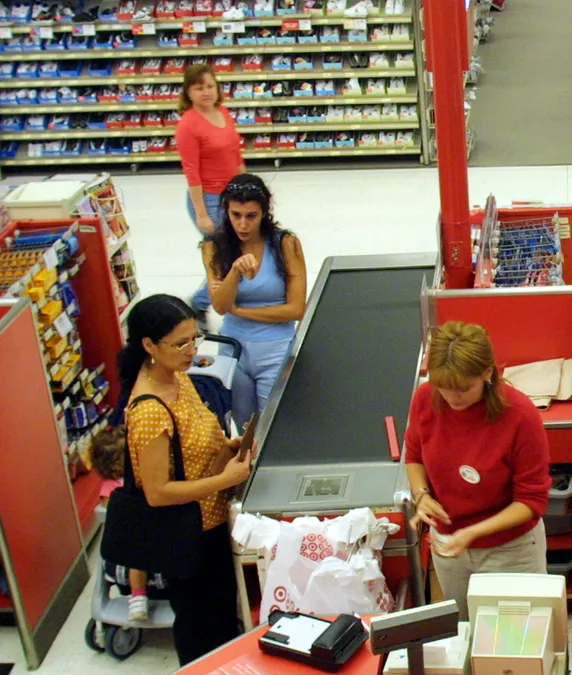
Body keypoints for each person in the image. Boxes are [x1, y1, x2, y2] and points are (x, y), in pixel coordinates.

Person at [117, 294, 253, 665]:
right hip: (187, 538)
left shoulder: (180, 378)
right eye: (180, 343)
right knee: (201, 629)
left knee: (225, 621)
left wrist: (229, 445)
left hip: (212, 523)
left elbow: (196, 444)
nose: (192, 350)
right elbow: (158, 493)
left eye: (195, 339)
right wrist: (224, 478)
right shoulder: (148, 411)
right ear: (149, 345)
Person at [404, 321, 552, 618]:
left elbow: (531, 501)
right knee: (465, 628)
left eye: (463, 389)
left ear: (488, 373)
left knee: (514, 640)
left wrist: (473, 533)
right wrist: (421, 496)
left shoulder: (520, 415)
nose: (451, 398)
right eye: (442, 387)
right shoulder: (425, 398)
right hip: (448, 545)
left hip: (510, 550)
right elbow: (414, 456)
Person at [203, 173, 307, 428]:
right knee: (243, 424)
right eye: (235, 215)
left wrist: (239, 310)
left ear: (264, 213)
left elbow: (295, 309)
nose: (243, 225)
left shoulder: (285, 244)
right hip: (233, 349)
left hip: (276, 349)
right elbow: (219, 306)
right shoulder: (214, 248)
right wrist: (235, 271)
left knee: (274, 424)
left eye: (251, 216)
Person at [176, 63, 246, 323]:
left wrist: (247, 187)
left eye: (210, 86)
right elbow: (191, 172)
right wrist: (202, 214)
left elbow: (235, 153)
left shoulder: (223, 112)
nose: (206, 92)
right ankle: (201, 303)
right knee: (226, 255)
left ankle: (213, 298)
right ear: (188, 92)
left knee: (234, 251)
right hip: (209, 199)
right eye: (199, 87)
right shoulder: (188, 125)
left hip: (232, 195)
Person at [89, 426, 150, 623]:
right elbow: (113, 512)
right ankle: (138, 597)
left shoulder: (139, 476)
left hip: (149, 529)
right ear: (115, 465)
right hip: (129, 538)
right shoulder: (111, 487)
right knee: (137, 559)